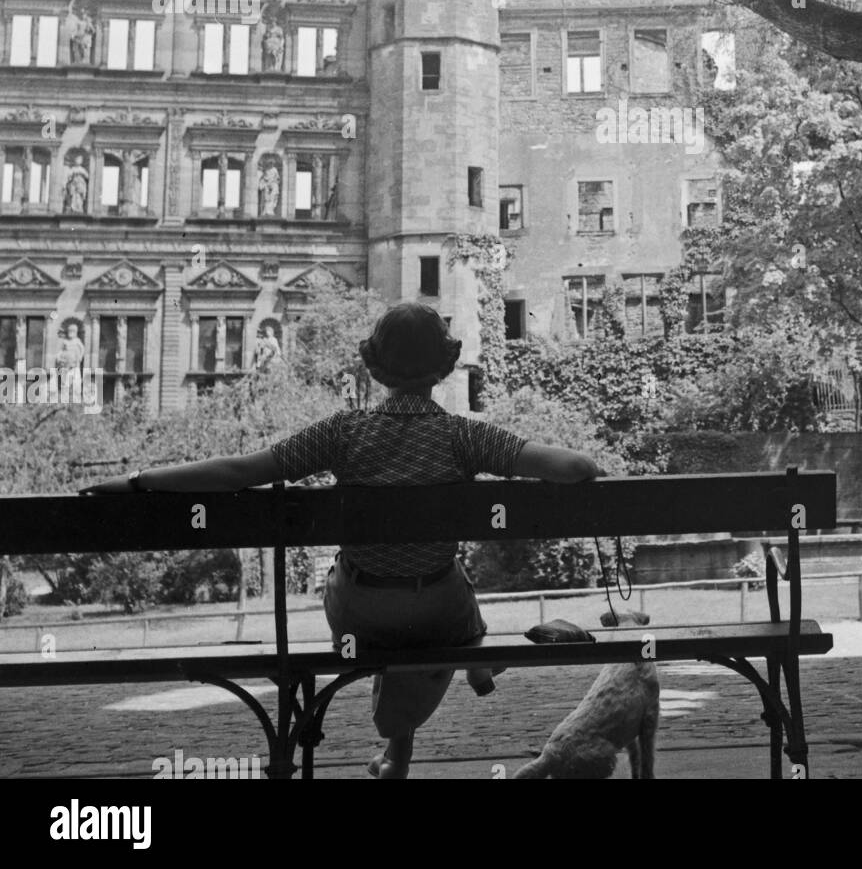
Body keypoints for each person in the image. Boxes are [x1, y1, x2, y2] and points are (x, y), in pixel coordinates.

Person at [81, 300, 600, 779]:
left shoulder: (342, 433)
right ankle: (475, 661)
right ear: (443, 370)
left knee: (386, 595)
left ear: (375, 369)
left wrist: (139, 481)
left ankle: (416, 731)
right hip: (439, 611)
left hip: (360, 613)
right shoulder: (465, 436)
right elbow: (574, 467)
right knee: (451, 594)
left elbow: (239, 471)